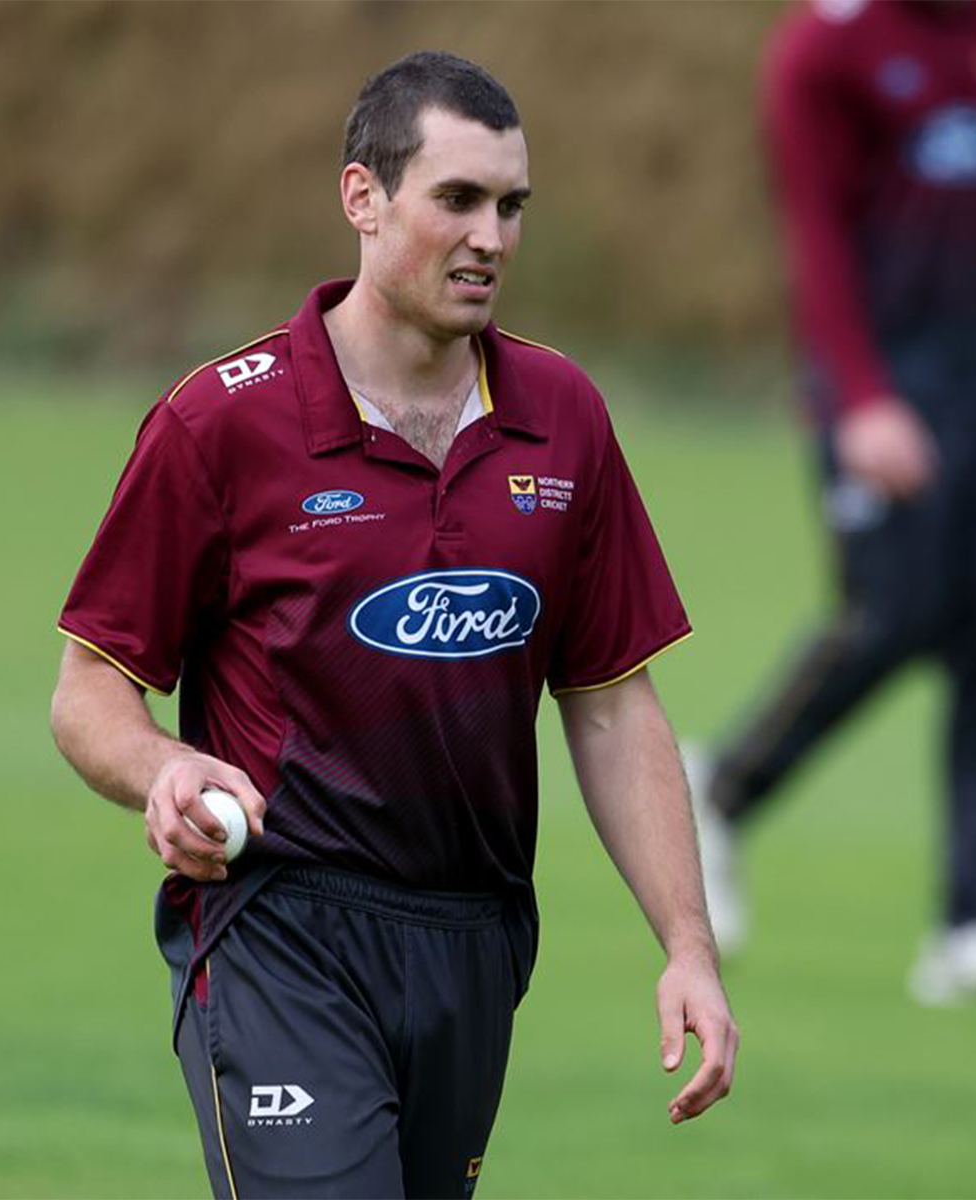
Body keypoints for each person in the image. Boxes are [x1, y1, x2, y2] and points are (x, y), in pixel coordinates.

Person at [50, 51, 738, 1199]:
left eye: (511, 206)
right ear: (362, 200)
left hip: (472, 936)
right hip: (281, 921)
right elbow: (89, 690)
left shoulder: (563, 420)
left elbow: (612, 705)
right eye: (457, 200)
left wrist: (687, 947)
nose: (491, 237)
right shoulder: (224, 422)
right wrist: (163, 767)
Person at [687, 0, 976, 1012]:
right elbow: (816, 235)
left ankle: (970, 928)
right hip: (878, 376)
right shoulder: (823, 47)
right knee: (894, 614)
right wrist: (862, 397)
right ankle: (721, 786)